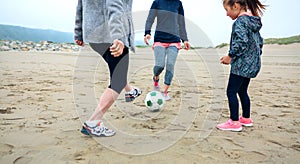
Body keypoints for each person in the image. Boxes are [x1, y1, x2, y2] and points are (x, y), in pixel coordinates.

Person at [74, 0, 141, 137]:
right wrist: (118, 37)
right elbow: (114, 6)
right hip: (111, 36)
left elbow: (80, 6)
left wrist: (78, 33)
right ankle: (93, 122)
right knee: (118, 80)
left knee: (117, 71)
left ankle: (130, 91)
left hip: (93, 36)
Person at [217, 0, 266, 131]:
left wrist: (230, 56)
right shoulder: (253, 22)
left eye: (227, 10)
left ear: (236, 6)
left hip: (241, 65)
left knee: (231, 91)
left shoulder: (240, 22)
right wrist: (253, 58)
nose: (227, 14)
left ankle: (234, 122)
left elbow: (241, 42)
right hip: (252, 64)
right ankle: (246, 118)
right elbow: (260, 43)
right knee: (242, 90)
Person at [144, 0, 190, 101]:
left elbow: (181, 23)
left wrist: (185, 39)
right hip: (159, 39)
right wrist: (147, 33)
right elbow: (150, 18)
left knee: (170, 65)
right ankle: (156, 78)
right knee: (159, 66)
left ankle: (164, 92)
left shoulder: (178, 3)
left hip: (174, 40)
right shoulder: (157, 2)